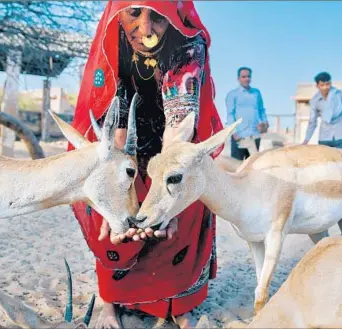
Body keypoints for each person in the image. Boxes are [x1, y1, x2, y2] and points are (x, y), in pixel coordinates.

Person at [67, 1, 224, 328]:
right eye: (134, 13)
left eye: (158, 16)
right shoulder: (113, 42)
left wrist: (169, 202)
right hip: (125, 143)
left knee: (183, 195)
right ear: (117, 12)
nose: (146, 28)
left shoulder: (187, 44)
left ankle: (178, 303)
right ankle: (110, 301)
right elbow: (117, 123)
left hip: (174, 140)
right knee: (111, 211)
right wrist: (115, 196)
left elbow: (180, 124)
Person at [302, 72, 342, 149]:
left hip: (341, 136)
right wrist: (306, 139)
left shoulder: (340, 94)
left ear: (330, 83)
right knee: (324, 160)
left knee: (341, 160)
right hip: (324, 137)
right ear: (317, 86)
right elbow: (312, 121)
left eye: (328, 84)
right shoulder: (315, 100)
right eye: (322, 85)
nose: (325, 87)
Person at [225, 67, 269, 160]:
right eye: (243, 77)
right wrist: (234, 132)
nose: (246, 79)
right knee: (237, 166)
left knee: (253, 166)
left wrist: (265, 122)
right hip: (239, 136)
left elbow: (261, 110)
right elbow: (230, 114)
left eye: (248, 76)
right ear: (238, 78)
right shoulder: (232, 95)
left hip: (255, 135)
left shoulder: (256, 93)